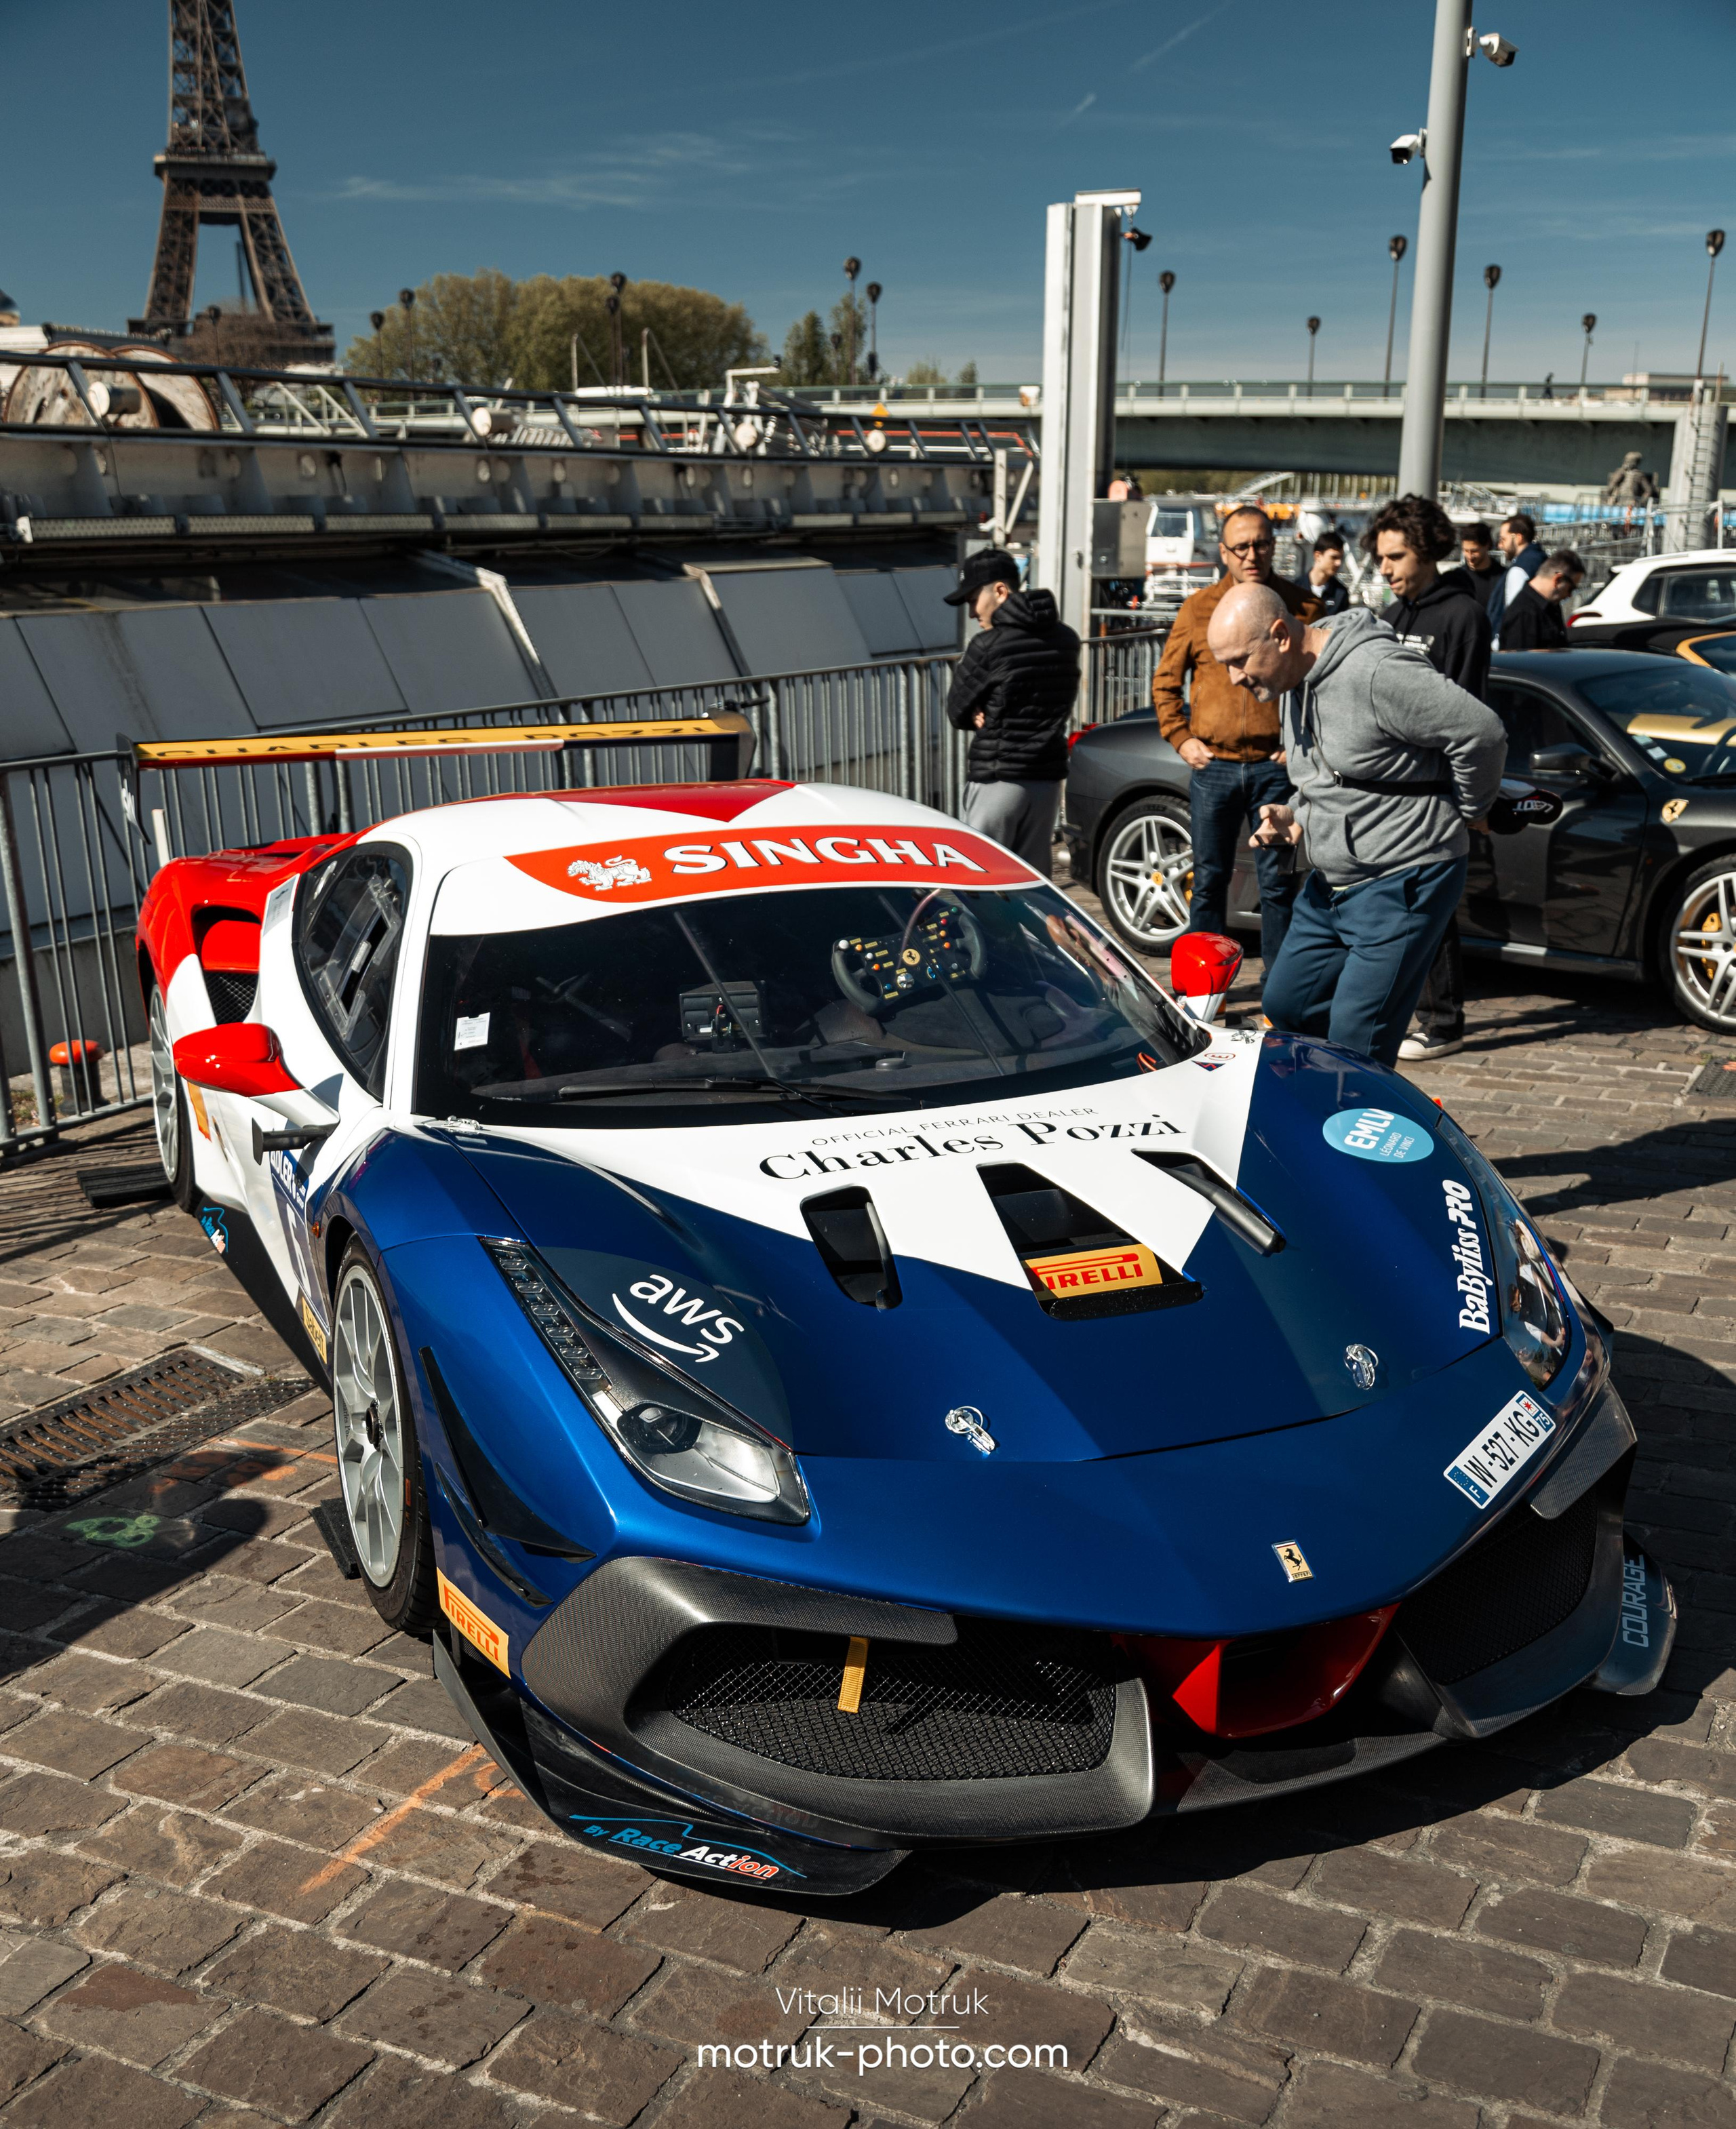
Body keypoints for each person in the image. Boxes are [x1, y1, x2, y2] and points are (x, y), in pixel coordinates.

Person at [1204, 584, 1506, 1070]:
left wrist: (1473, 808)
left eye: (1239, 660)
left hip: (1404, 874)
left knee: (1356, 1041)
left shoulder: (1376, 671)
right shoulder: (1291, 679)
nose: (1234, 677)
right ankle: (1326, 1092)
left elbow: (1482, 731)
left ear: (1280, 635)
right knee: (1287, 1004)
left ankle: (1352, 1104)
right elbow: (1336, 775)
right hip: (1333, 882)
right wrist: (1296, 816)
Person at [1151, 506, 1321, 978]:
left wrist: (1302, 742)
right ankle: (1202, 990)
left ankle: (1280, 995)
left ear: (1273, 546)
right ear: (1224, 553)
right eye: (1241, 547)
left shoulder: (1303, 608)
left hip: (1275, 770)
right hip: (1215, 768)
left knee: (1278, 885)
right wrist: (1181, 737)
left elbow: (1322, 685)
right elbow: (1165, 682)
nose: (1252, 555)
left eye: (1261, 544)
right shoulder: (1198, 609)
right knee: (1208, 881)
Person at [1364, 495, 1493, 1065]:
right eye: (1380, 558)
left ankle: (1443, 1021)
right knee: (1393, 904)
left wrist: (1465, 797)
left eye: (1395, 557)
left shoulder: (1463, 616)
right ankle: (1402, 1008)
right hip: (1388, 788)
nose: (1385, 569)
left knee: (1430, 906)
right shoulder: (1391, 618)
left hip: (1434, 789)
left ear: (1427, 551)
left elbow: (1469, 711)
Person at [943, 549, 1080, 873]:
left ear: (1001, 591)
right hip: (1046, 781)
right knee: (1033, 882)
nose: (972, 612)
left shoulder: (988, 645)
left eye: (973, 600)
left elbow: (956, 709)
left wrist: (976, 709)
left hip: (999, 779)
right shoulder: (1067, 639)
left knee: (982, 877)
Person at [1497, 550, 1586, 651]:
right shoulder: (1524, 614)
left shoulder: (1551, 607)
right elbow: (1520, 659)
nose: (1570, 595)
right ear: (1558, 580)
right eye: (1571, 589)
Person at [1485, 513, 1545, 635]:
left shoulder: (1519, 570)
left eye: (1503, 540)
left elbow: (1515, 614)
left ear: (1518, 538)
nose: (1500, 546)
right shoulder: (1540, 560)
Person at [1305, 528, 1351, 615]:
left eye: (1341, 558)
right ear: (1318, 556)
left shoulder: (1341, 594)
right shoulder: (1296, 587)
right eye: (1334, 557)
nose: (1338, 563)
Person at [1459, 522, 1502, 610]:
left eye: (1474, 551)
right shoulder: (1457, 578)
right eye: (1466, 551)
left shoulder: (1502, 577)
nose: (1470, 556)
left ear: (1487, 546)